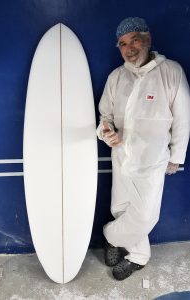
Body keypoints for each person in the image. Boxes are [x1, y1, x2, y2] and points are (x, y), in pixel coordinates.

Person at [97, 17, 190, 280]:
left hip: (153, 158)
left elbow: (184, 117)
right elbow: (104, 116)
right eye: (123, 44)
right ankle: (137, 255)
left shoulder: (171, 71)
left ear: (148, 39)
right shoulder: (116, 77)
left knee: (146, 215)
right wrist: (106, 132)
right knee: (121, 208)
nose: (129, 48)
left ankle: (110, 236)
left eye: (134, 40)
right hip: (121, 155)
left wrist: (177, 156)